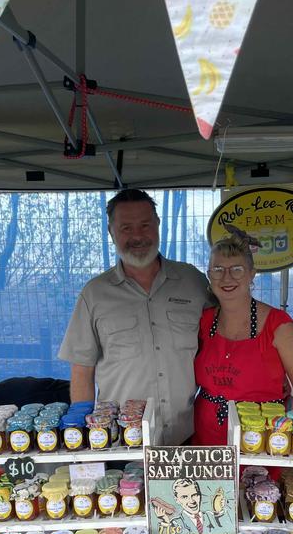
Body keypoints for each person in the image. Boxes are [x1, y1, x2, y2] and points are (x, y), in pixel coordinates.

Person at [58, 189, 210, 445]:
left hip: (187, 437)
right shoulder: (95, 294)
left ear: (158, 225)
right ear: (111, 232)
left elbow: (225, 341)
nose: (137, 236)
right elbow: (82, 371)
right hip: (122, 443)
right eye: (126, 228)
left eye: (145, 225)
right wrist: (85, 440)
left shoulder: (193, 282)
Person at [192, 230, 293, 445]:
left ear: (252, 274)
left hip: (261, 437)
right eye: (218, 269)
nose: (226, 277)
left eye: (237, 270)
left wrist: (286, 437)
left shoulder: (278, 326)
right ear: (209, 275)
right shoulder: (203, 321)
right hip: (206, 437)